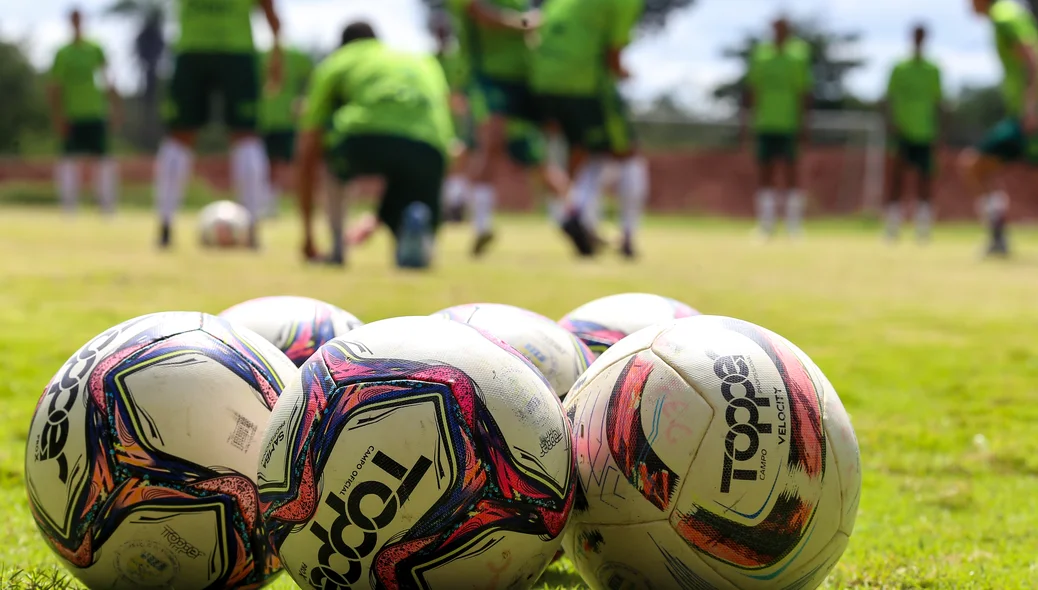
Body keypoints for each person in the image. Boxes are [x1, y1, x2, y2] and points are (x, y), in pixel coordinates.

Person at [295, 22, 454, 269]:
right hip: (429, 144)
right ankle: (418, 237)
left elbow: (309, 141)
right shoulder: (421, 60)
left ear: (343, 45)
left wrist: (307, 235)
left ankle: (337, 248)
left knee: (331, 157)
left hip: (364, 136)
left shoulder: (338, 61)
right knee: (412, 178)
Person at [154, 0, 282, 249]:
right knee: (245, 136)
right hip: (235, 53)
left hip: (195, 51)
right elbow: (270, 11)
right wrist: (277, 53)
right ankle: (253, 229)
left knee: (180, 137)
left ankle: (165, 226)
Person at [530, 0, 648, 258]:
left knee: (585, 153)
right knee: (626, 155)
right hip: (585, 86)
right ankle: (625, 234)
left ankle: (578, 217)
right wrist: (627, 74)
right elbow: (613, 57)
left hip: (544, 84)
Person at [449, 0, 541, 256]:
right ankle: (480, 225)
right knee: (489, 144)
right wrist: (526, 22)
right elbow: (481, 14)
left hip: (524, 80)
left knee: (537, 157)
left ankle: (574, 220)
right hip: (487, 79)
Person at [960, 0, 1038, 257]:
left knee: (975, 165)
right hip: (1022, 114)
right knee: (978, 166)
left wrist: (1032, 108)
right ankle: (998, 237)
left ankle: (998, 238)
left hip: (1028, 116)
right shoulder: (1007, 14)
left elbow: (1032, 58)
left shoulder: (1005, 16)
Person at [742, 17, 813, 239]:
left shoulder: (799, 55)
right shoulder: (761, 55)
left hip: (789, 124)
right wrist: (747, 120)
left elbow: (804, 91)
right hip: (765, 123)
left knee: (792, 173)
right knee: (765, 173)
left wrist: (804, 123)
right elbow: (753, 89)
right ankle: (766, 224)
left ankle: (794, 225)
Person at [49, 8, 121, 216]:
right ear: (69, 22)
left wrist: (116, 108)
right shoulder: (63, 53)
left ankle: (107, 208)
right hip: (72, 114)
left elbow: (109, 79)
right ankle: (69, 208)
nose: (77, 23)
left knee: (104, 160)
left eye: (79, 19)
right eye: (73, 20)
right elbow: (55, 87)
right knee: (68, 160)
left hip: (95, 113)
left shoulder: (95, 48)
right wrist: (57, 116)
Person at [884, 24, 945, 244]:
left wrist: (940, 131)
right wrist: (891, 123)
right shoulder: (899, 67)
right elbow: (888, 98)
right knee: (896, 180)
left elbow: (939, 102)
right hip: (902, 132)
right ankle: (892, 227)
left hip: (925, 133)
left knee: (924, 181)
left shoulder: (933, 69)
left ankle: (923, 229)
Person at [258, 45, 313, 218]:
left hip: (288, 121)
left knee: (293, 164)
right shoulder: (259, 55)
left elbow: (313, 79)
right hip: (263, 120)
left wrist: (305, 100)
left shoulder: (297, 55)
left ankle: (296, 205)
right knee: (265, 165)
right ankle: (267, 203)